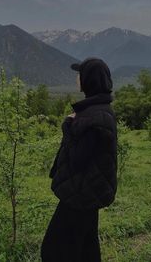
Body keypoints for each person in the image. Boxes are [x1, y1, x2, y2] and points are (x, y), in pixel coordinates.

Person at [40, 57, 118, 262]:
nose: (77, 78)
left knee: (53, 250)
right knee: (86, 248)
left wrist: (68, 126)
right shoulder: (99, 111)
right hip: (88, 192)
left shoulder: (94, 117)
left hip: (80, 196)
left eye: (80, 74)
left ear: (88, 79)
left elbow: (77, 159)